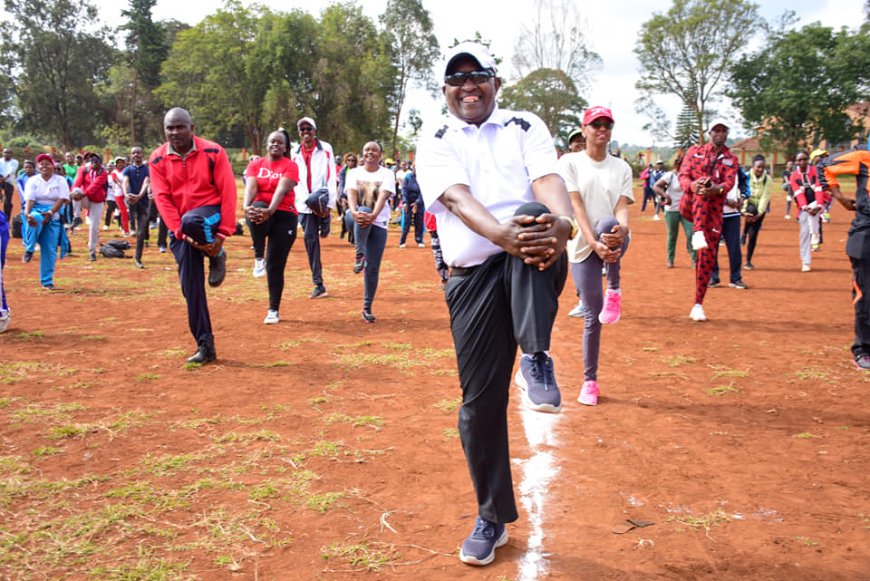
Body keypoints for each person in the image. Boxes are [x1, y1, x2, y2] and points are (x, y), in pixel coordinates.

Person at [416, 41, 574, 567]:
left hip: (530, 260)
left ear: (495, 83)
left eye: (478, 76)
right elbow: (457, 200)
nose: (468, 86)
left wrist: (562, 223)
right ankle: (492, 516)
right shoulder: (434, 137)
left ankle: (534, 355)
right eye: (457, 79)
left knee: (534, 212)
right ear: (445, 90)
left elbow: (550, 184)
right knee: (478, 407)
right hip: (472, 276)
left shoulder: (524, 125)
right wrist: (504, 235)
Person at [558, 106, 632, 408]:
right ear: (584, 129)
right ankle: (590, 380)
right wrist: (593, 243)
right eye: (596, 124)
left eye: (607, 124)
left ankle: (614, 286)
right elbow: (575, 206)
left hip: (613, 237)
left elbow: (621, 208)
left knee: (607, 223)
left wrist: (623, 230)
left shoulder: (621, 167)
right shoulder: (570, 162)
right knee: (592, 315)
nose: (603, 129)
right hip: (582, 245)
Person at [149, 107, 237, 364]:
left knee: (192, 220)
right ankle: (205, 345)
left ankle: (217, 253)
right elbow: (162, 199)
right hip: (180, 228)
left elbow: (228, 192)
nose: (174, 132)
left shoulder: (214, 152)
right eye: (169, 128)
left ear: (192, 127)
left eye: (180, 127)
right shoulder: (156, 159)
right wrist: (177, 231)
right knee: (191, 288)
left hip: (209, 216)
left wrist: (222, 234)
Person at [678, 119, 738, 322]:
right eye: (716, 130)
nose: (720, 134)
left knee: (708, 256)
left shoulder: (731, 158)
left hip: (713, 213)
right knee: (702, 184)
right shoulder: (694, 151)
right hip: (689, 204)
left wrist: (716, 189)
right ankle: (697, 231)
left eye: (724, 131)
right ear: (709, 132)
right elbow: (683, 176)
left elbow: (729, 182)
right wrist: (695, 186)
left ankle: (698, 303)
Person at [818, 147, 870, 370]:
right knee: (866, 293)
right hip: (866, 232)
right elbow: (824, 166)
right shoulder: (863, 158)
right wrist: (839, 196)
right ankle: (863, 349)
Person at [242, 129, 299, 324]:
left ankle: (273, 309)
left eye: (280, 143)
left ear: (285, 147)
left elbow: (281, 190)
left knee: (275, 264)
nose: (275, 145)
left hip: (284, 215)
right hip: (261, 213)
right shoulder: (256, 164)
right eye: (272, 142)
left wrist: (271, 210)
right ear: (267, 144)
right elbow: (251, 187)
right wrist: (245, 207)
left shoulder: (290, 165)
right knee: (256, 207)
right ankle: (259, 256)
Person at [344, 141, 396, 322]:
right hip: (355, 218)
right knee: (362, 210)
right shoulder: (354, 173)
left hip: (378, 222)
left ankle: (367, 308)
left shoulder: (387, 174)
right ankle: (359, 254)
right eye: (367, 149)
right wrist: (353, 211)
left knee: (373, 268)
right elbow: (350, 193)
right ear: (362, 153)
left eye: (374, 150)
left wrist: (374, 215)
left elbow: (383, 196)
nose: (370, 153)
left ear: (380, 154)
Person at [290, 116, 337, 299]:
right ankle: (318, 283)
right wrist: (301, 199)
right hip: (303, 203)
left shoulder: (325, 149)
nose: (305, 132)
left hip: (322, 195)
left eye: (309, 128)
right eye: (302, 129)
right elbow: (295, 178)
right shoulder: (294, 153)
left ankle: (325, 218)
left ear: (314, 130)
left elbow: (331, 174)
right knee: (311, 241)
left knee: (322, 229)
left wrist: (330, 203)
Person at [22, 154, 70, 290]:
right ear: (38, 167)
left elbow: (62, 199)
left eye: (47, 163)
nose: (44, 166)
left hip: (53, 213)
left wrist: (50, 212)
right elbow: (30, 199)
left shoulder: (60, 180)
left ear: (53, 166)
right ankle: (30, 248)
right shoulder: (33, 180)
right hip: (37, 210)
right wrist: (27, 213)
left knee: (49, 249)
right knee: (35, 218)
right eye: (41, 164)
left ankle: (47, 281)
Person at [709, 165, 749, 290]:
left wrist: (742, 197)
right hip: (715, 212)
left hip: (733, 214)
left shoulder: (736, 167)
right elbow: (709, 187)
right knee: (712, 247)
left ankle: (736, 278)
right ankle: (713, 277)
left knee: (734, 247)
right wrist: (726, 201)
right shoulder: (712, 166)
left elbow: (745, 182)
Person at [790, 150, 828, 272]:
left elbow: (818, 189)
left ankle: (816, 234)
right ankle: (806, 262)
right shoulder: (794, 176)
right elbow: (798, 194)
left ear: (808, 160)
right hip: (804, 207)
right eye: (799, 160)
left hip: (816, 202)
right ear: (796, 161)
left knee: (814, 227)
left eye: (804, 159)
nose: (802, 162)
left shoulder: (815, 171)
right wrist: (806, 208)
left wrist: (819, 206)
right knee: (804, 234)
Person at [653, 156, 694, 268]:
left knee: (691, 234)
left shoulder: (690, 176)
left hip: (687, 210)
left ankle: (694, 259)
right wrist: (665, 195)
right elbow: (656, 186)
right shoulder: (670, 175)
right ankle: (670, 259)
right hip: (672, 210)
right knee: (672, 235)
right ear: (677, 166)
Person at [71, 152, 108, 262]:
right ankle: (76, 217)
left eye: (96, 160)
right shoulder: (83, 169)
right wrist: (72, 193)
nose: (93, 162)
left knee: (93, 227)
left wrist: (84, 193)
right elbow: (77, 182)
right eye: (90, 160)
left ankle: (92, 251)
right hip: (85, 199)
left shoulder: (103, 172)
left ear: (100, 161)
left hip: (97, 200)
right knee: (76, 190)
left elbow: (95, 186)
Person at [122, 147, 150, 268]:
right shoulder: (128, 169)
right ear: (131, 155)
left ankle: (138, 258)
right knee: (131, 217)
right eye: (134, 153)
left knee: (141, 231)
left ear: (142, 154)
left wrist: (139, 196)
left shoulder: (147, 169)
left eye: (138, 153)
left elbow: (146, 182)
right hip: (131, 200)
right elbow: (125, 182)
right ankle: (130, 228)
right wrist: (126, 194)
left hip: (143, 202)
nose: (136, 155)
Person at [742, 154, 772, 270]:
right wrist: (743, 211)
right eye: (758, 167)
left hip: (760, 208)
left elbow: (765, 197)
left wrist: (759, 214)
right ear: (753, 166)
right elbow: (743, 193)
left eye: (762, 167)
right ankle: (744, 233)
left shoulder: (767, 180)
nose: (760, 169)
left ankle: (748, 260)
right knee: (750, 210)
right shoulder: (746, 176)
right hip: (748, 204)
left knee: (753, 235)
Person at [398, 162, 424, 248]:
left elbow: (423, 191)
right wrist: (405, 202)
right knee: (406, 222)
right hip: (408, 202)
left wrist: (417, 203)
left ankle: (419, 240)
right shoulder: (408, 177)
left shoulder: (423, 177)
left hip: (419, 202)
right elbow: (404, 190)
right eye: (415, 167)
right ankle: (402, 241)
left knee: (419, 222)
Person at [106, 156, 130, 236]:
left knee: (128, 212)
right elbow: (116, 181)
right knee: (123, 212)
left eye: (121, 162)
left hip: (127, 193)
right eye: (118, 163)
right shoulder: (114, 172)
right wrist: (124, 187)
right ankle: (126, 230)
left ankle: (128, 228)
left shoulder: (127, 171)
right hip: (119, 194)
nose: (120, 164)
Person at [337, 152, 358, 242]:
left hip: (355, 195)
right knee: (346, 215)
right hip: (345, 195)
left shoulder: (358, 171)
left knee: (354, 215)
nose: (351, 162)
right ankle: (343, 230)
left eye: (353, 160)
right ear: (346, 161)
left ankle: (352, 236)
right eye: (349, 160)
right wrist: (342, 196)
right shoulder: (343, 171)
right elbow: (341, 184)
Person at [0, 148, 19, 220]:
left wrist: (3, 179)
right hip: (0, 179)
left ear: (11, 154)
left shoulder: (14, 162)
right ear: (2, 153)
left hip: (9, 182)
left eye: (9, 153)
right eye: (5, 152)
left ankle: (6, 219)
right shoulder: (0, 161)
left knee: (7, 202)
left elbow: (11, 172)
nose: (7, 154)